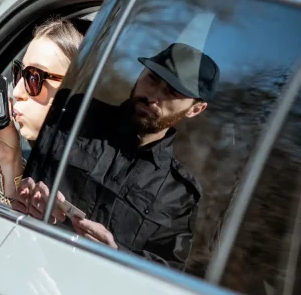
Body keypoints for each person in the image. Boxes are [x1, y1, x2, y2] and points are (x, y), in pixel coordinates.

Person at [14, 43, 219, 269]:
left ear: (195, 109)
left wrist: (116, 254)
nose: (152, 96)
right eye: (152, 78)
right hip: (24, 261)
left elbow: (165, 275)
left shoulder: (179, 194)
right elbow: (18, 177)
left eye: (171, 91)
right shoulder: (74, 114)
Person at [0, 18, 84, 204]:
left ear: (80, 88)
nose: (17, 91)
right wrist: (10, 159)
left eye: (33, 78)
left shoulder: (100, 181)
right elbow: (20, 229)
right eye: (19, 74)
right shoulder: (54, 164)